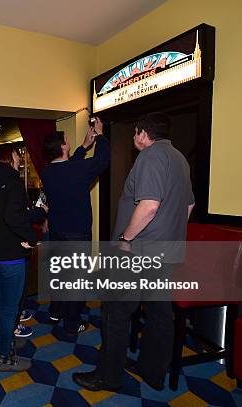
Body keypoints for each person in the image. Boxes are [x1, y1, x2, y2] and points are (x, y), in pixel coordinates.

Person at [72, 112, 195, 391]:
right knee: (159, 314)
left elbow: (149, 205)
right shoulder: (180, 159)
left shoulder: (150, 156)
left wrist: (126, 237)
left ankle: (108, 376)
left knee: (114, 313)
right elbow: (188, 206)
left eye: (135, 133)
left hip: (137, 252)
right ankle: (153, 372)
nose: (134, 138)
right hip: (164, 253)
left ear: (142, 133)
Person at [42, 119, 110, 335]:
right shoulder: (77, 168)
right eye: (66, 141)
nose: (68, 141)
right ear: (63, 146)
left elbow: (69, 167)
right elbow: (103, 159)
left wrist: (83, 147)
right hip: (77, 233)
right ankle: (72, 322)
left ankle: (56, 311)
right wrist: (100, 136)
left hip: (57, 231)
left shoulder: (47, 172)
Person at [0, 143, 40, 371]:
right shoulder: (14, 182)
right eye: (17, 155)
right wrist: (32, 238)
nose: (20, 158)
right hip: (10, 256)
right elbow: (12, 217)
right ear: (8, 158)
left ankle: (8, 339)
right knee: (10, 307)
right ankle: (5, 357)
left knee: (3, 303)